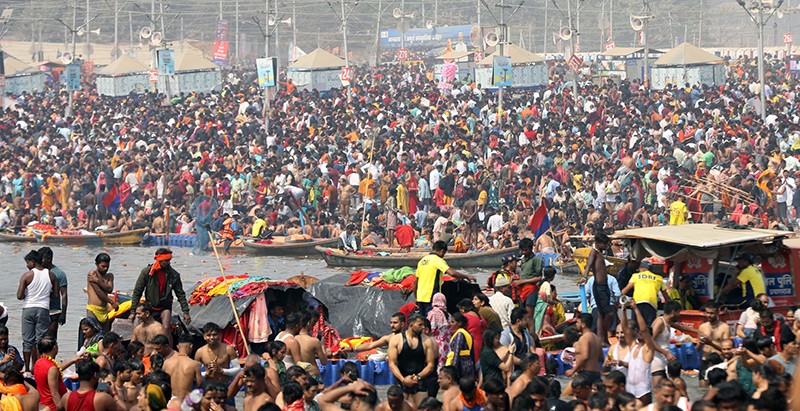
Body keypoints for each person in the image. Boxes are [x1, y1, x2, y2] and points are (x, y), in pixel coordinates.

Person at [130, 248, 191, 335]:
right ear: (159, 260)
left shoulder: (174, 275)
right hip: (150, 306)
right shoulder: (147, 272)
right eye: (166, 261)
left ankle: (168, 343)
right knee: (142, 328)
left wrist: (186, 312)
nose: (168, 263)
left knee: (165, 328)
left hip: (164, 307)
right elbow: (137, 292)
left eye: (169, 260)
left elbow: (180, 294)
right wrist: (133, 311)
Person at [16, 250, 59, 372]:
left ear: (33, 262)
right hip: (43, 309)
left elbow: (19, 296)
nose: (27, 265)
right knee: (40, 340)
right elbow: (56, 295)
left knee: (27, 341)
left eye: (28, 263)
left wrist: (27, 294)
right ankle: (39, 367)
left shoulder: (27, 276)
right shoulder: (51, 275)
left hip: (28, 308)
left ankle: (27, 370)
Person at [413, 240, 475, 316]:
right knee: (432, 319)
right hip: (431, 297)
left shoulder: (422, 260)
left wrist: (416, 297)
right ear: (442, 251)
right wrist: (466, 276)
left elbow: (416, 281)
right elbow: (452, 273)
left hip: (420, 297)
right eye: (444, 254)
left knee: (423, 320)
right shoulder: (438, 260)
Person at [388, 313, 437, 405]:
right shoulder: (396, 339)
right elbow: (392, 364)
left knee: (422, 407)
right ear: (411, 325)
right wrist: (403, 380)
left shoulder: (427, 340)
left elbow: (430, 365)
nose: (423, 327)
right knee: (402, 407)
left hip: (419, 380)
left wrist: (417, 377)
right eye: (420, 325)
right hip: (401, 380)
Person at [34, 336, 87, 411]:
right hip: (52, 406)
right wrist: (60, 408)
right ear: (54, 347)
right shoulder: (52, 368)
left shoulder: (39, 362)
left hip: (43, 403)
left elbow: (56, 370)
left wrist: (73, 361)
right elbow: (54, 393)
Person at [582, 233, 613, 350]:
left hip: (603, 286)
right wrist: (585, 277)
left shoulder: (600, 253)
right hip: (599, 286)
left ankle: (603, 339)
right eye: (605, 244)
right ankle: (602, 338)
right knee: (609, 314)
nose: (607, 246)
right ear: (599, 243)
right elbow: (588, 264)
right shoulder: (594, 252)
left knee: (601, 313)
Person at [620, 259, 670, 326]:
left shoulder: (635, 276)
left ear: (642, 269)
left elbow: (625, 290)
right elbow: (666, 296)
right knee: (649, 327)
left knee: (635, 326)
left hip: (637, 303)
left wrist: (618, 298)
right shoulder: (659, 278)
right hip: (651, 304)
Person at [697, 302, 731, 386]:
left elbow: (727, 349)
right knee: (702, 388)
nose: (709, 315)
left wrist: (711, 343)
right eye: (707, 313)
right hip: (705, 360)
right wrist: (701, 343)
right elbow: (698, 349)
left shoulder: (725, 327)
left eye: (711, 313)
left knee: (719, 387)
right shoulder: (702, 327)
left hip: (718, 361)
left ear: (718, 313)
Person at [565, 313, 603, 386]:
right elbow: (601, 357)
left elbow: (585, 356)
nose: (576, 324)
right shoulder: (597, 338)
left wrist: (573, 370)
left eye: (577, 322)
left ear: (583, 325)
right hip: (596, 374)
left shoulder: (584, 338)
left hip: (586, 374)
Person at [162, 334, 203, 402]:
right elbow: (200, 384)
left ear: (177, 346)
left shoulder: (167, 363)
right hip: (186, 402)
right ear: (191, 346)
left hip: (171, 401)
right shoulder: (195, 364)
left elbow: (162, 382)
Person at [39, 247, 67, 340]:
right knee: (39, 339)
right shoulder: (37, 272)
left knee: (51, 339)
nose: (39, 261)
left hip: (54, 311)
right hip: (40, 310)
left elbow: (64, 295)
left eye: (42, 258)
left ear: (49, 259)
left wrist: (63, 313)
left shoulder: (59, 273)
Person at [584, 273, 620, 345]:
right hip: (610, 306)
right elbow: (617, 294)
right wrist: (616, 304)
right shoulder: (612, 278)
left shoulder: (591, 279)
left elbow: (586, 294)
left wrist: (590, 301)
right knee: (610, 330)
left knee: (596, 330)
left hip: (596, 308)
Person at [86, 253, 117, 333]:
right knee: (92, 333)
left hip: (104, 310)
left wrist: (97, 280)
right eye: (103, 266)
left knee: (105, 334)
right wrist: (111, 302)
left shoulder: (109, 276)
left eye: (107, 266)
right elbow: (99, 292)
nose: (105, 268)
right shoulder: (92, 274)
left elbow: (109, 289)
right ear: (97, 264)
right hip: (93, 309)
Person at [500, 307, 535, 372]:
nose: (527, 322)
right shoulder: (505, 336)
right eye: (525, 319)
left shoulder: (526, 333)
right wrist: (523, 362)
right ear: (518, 321)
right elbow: (505, 356)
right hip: (512, 372)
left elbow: (532, 348)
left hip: (526, 370)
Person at [517, 238, 544, 321]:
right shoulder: (523, 260)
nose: (524, 252)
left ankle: (531, 329)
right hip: (522, 289)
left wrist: (523, 281)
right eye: (522, 250)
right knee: (522, 315)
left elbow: (539, 278)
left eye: (526, 250)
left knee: (529, 316)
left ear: (531, 248)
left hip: (531, 289)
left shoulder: (536, 260)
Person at [295, 310, 328, 376]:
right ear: (308, 323)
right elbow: (324, 361)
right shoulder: (314, 341)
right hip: (313, 373)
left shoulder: (293, 339)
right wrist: (322, 345)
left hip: (299, 374)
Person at [446, 312, 476, 380]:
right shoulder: (467, 333)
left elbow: (456, 352)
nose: (451, 324)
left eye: (453, 322)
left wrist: (453, 369)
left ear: (459, 323)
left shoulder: (460, 334)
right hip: (468, 363)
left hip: (461, 364)